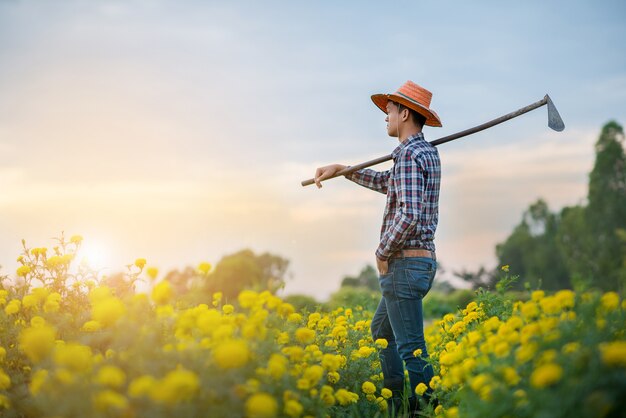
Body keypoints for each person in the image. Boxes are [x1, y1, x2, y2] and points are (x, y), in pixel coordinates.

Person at [314, 80, 442, 415]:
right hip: (419, 262)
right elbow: (388, 183)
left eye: (389, 111)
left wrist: (382, 251)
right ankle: (399, 404)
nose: (385, 118)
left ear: (404, 113)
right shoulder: (420, 154)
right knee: (381, 330)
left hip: (403, 263)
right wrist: (343, 171)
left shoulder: (411, 155)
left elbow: (410, 214)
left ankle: (425, 410)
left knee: (411, 346)